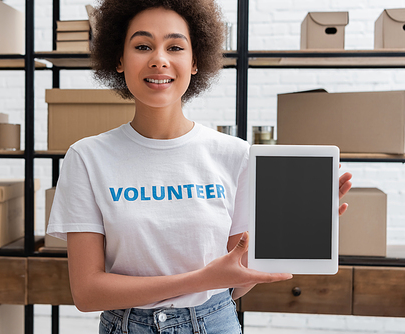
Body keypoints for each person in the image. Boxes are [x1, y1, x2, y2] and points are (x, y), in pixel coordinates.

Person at [47, 0, 353, 333]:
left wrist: (298, 228)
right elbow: (87, 292)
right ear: (119, 59)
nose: (159, 59)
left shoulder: (236, 155)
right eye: (143, 46)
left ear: (195, 61)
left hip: (214, 322)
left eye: (175, 46)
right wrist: (203, 279)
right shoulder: (87, 157)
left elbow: (236, 278)